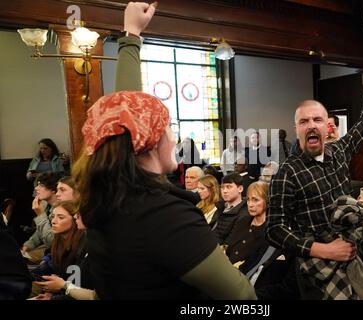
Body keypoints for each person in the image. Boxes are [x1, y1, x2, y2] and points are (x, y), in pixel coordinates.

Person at [71, 2, 255, 300]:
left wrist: (131, 36)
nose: (175, 136)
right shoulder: (165, 217)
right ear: (151, 141)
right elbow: (241, 297)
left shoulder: (106, 198)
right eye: (168, 126)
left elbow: (123, 118)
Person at [266, 49, 363, 299]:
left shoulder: (340, 150)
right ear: (297, 129)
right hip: (316, 275)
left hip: (355, 261)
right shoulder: (287, 173)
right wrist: (322, 249)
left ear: (327, 126)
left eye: (317, 120)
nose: (311, 125)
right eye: (304, 121)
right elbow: (274, 229)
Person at [22, 172, 61, 263]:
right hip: (49, 249)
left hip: (55, 251)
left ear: (53, 190)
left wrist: (40, 215)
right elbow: (40, 232)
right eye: (37, 185)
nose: (36, 188)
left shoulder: (61, 209)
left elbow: (52, 242)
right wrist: (28, 245)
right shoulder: (46, 205)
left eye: (41, 185)